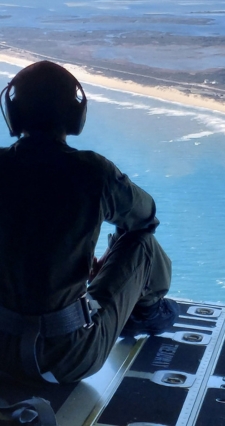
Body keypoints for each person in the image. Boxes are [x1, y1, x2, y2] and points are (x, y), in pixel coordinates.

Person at [0, 60, 178, 384]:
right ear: (75, 115)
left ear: (12, 114)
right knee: (142, 245)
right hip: (70, 356)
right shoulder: (92, 172)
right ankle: (147, 314)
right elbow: (146, 216)